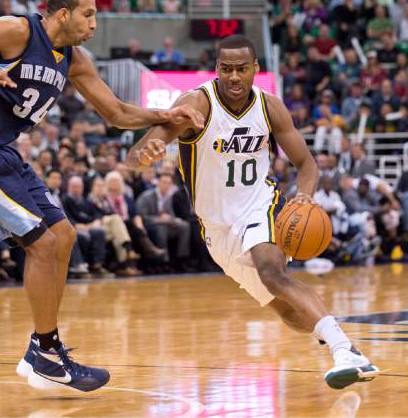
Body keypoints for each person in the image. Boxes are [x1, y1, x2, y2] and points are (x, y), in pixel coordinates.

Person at [0, 0, 202, 393]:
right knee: (43, 244)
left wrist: (165, 113)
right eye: (87, 15)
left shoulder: (74, 60)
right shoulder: (16, 31)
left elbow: (117, 112)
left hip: (0, 150)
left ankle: (43, 349)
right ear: (62, 13)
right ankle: (46, 356)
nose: (93, 24)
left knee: (64, 234)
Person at [126, 35, 379, 389]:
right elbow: (134, 155)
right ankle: (346, 345)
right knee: (288, 312)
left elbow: (307, 165)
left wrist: (304, 197)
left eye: (242, 69)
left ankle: (343, 351)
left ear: (255, 70)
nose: (233, 77)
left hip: (260, 204)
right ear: (216, 69)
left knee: (272, 272)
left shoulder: (270, 107)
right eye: (226, 69)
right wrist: (147, 153)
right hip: (216, 228)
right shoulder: (197, 103)